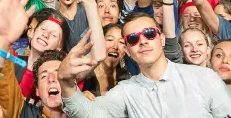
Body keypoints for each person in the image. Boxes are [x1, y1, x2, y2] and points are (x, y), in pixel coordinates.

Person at [58, 12, 231, 117]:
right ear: (126, 50)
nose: (142, 41)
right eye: (133, 38)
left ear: (162, 39)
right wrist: (65, 82)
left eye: (149, 33)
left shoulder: (204, 78)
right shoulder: (126, 91)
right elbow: (91, 114)